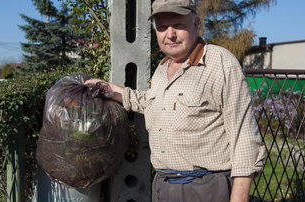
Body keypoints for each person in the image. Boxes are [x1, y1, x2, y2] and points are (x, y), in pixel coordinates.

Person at [85, 0, 266, 201]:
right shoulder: (163, 68)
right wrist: (111, 90)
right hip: (163, 186)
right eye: (162, 27)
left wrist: (239, 198)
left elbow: (244, 136)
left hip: (205, 189)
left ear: (196, 24)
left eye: (178, 25)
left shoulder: (220, 63)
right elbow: (152, 103)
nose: (170, 34)